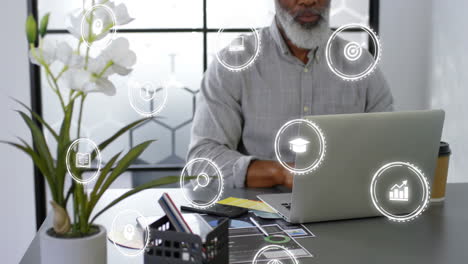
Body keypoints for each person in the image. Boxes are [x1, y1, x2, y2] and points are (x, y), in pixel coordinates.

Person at [188, 0, 393, 189]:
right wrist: (281, 173)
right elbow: (203, 160)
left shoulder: (362, 65)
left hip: (343, 205)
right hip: (258, 214)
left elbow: (389, 146)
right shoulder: (234, 62)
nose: (307, 1)